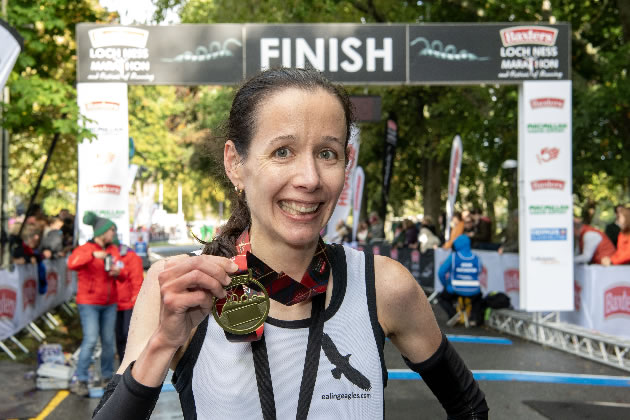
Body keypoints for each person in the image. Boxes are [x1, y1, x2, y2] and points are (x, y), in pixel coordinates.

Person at [92, 68, 487, 419]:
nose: (310, 178)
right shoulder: (180, 288)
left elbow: (469, 407)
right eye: (283, 151)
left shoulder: (383, 286)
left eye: (327, 154)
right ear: (235, 163)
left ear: (346, 163)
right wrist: (163, 344)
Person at [68, 212, 127, 397]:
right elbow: (72, 263)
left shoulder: (113, 250)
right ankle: (82, 380)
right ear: (101, 232)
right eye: (111, 230)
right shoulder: (85, 249)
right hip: (89, 303)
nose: (114, 233)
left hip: (109, 303)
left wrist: (118, 272)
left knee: (108, 341)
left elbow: (123, 273)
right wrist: (93, 255)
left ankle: (107, 377)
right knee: (91, 340)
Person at [437, 235, 484, 326]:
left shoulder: (454, 257)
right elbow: (479, 271)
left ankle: (454, 314)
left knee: (442, 298)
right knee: (478, 298)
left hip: (455, 289)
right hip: (473, 290)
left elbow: (441, 272)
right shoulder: (476, 257)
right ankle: (473, 318)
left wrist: (446, 285)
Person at [113, 235, 145, 362]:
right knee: (119, 336)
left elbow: (137, 280)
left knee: (128, 335)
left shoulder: (131, 257)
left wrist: (136, 301)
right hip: (113, 304)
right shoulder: (107, 255)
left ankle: (131, 363)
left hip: (128, 303)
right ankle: (122, 364)